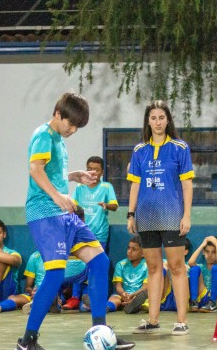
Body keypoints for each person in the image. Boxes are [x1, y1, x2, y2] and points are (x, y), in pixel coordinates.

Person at [13, 91, 134, 350]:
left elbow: (50, 173)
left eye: (78, 127)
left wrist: (73, 176)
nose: (73, 130)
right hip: (45, 213)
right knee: (55, 274)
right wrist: (59, 196)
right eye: (71, 124)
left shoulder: (58, 140)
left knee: (100, 262)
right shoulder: (43, 135)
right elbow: (35, 170)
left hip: (62, 214)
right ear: (58, 114)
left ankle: (100, 330)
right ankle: (26, 342)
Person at [127, 100, 194, 335]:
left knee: (176, 267)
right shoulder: (139, 151)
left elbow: (187, 184)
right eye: (153, 118)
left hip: (172, 215)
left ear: (168, 120)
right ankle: (153, 320)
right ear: (148, 121)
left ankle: (182, 321)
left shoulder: (180, 148)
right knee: (154, 268)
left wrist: (187, 215)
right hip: (146, 217)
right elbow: (135, 185)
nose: (157, 122)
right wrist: (131, 214)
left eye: (161, 118)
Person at [63, 156, 117, 310]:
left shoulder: (106, 187)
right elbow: (74, 207)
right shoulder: (80, 187)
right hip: (80, 233)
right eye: (90, 169)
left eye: (96, 170)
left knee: (95, 267)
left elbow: (114, 205)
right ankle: (75, 297)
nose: (93, 172)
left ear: (102, 172)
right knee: (78, 265)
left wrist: (106, 205)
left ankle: (90, 298)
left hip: (99, 235)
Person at [106, 236, 148, 314]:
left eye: (134, 249)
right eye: (128, 248)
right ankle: (106, 307)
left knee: (146, 300)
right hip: (123, 295)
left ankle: (135, 306)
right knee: (114, 298)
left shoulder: (147, 265)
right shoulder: (120, 264)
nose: (129, 251)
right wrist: (123, 294)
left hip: (138, 295)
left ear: (142, 253)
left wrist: (133, 295)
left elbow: (145, 287)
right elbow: (118, 286)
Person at [187, 236, 217, 312]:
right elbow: (190, 262)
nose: (210, 255)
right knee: (194, 269)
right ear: (203, 252)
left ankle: (212, 304)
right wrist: (202, 245)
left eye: (214, 252)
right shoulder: (201, 267)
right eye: (207, 252)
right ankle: (194, 302)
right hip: (202, 298)